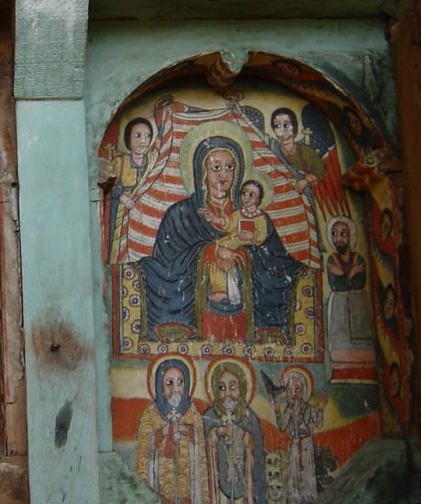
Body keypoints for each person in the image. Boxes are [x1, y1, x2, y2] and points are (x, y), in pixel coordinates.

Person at [138, 136, 299, 342]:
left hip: (242, 310)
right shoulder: (181, 213)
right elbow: (167, 261)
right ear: (202, 172)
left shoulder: (256, 217)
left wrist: (239, 256)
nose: (224, 174)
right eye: (215, 167)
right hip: (193, 304)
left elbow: (274, 258)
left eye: (230, 167)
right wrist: (211, 251)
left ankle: (264, 331)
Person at [135, 358, 208, 504]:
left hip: (188, 491)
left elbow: (201, 449)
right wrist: (161, 433)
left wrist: (187, 431)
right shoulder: (151, 413)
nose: (176, 389)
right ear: (160, 387)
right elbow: (144, 452)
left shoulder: (192, 412)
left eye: (180, 382)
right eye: (169, 383)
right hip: (161, 487)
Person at [202, 360, 267, 504]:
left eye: (232, 387)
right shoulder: (209, 416)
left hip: (243, 482)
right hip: (218, 485)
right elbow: (202, 449)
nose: (227, 394)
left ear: (242, 388)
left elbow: (257, 453)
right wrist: (216, 433)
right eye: (221, 388)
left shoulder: (249, 417)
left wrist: (242, 435)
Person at [204, 179, 271, 307]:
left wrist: (252, 235)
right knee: (216, 263)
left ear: (258, 199)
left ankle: (228, 291)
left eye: (251, 194)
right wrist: (216, 218)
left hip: (241, 245)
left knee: (226, 261)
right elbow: (228, 224)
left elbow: (261, 236)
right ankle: (220, 290)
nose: (246, 197)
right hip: (228, 242)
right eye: (244, 193)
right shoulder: (238, 214)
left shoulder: (260, 217)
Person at [325, 216, 375, 372]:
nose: (338, 238)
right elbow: (337, 284)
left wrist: (347, 276)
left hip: (358, 303)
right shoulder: (331, 260)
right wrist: (351, 272)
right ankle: (342, 372)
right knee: (341, 341)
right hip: (339, 306)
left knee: (363, 343)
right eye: (334, 233)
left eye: (343, 234)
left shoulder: (359, 258)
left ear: (351, 236)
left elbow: (359, 282)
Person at [272, 369, 325, 504]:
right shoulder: (289, 410)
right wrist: (277, 411)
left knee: (307, 469)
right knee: (294, 469)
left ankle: (309, 499)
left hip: (306, 442)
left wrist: (320, 409)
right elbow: (283, 427)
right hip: (295, 442)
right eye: (290, 390)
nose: (294, 393)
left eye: (297, 389)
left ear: (304, 390)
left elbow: (318, 424)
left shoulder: (309, 408)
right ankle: (294, 499)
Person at [108, 117, 158, 263]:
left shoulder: (152, 161)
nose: (144, 141)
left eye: (148, 136)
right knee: (122, 253)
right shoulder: (120, 162)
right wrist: (122, 197)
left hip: (147, 213)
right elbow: (107, 186)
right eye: (138, 136)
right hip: (124, 214)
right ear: (128, 138)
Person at [268, 107, 325, 196]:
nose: (281, 130)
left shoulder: (306, 151)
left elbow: (320, 172)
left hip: (304, 196)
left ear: (294, 127)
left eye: (286, 125)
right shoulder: (273, 151)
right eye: (277, 126)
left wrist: (306, 180)